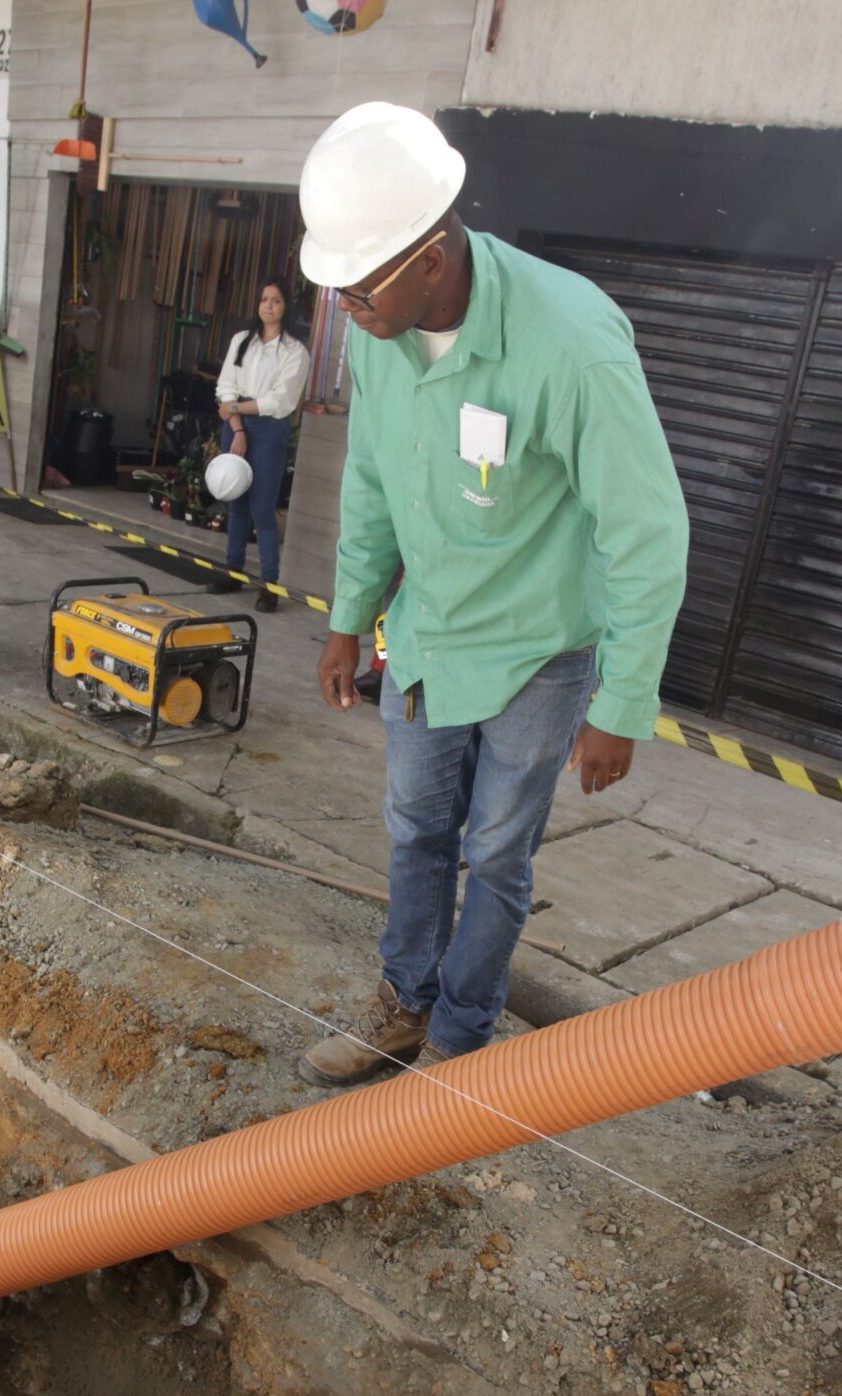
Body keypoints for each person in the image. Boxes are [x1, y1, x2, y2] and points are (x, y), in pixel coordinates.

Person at [295, 103, 689, 1087]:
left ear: (431, 254)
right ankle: (402, 1004)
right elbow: (373, 481)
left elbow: (647, 531)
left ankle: (459, 1048)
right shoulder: (381, 336)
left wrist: (623, 704)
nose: (345, 305)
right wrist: (349, 616)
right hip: (428, 639)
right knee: (417, 833)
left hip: (538, 657)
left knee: (497, 857)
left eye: (359, 281)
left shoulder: (568, 343)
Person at [215, 277, 312, 613]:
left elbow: (280, 401)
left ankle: (269, 583)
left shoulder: (294, 351)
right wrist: (238, 427)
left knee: (262, 508)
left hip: (269, 428)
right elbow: (226, 386)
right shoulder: (242, 340)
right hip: (236, 425)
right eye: (264, 300)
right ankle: (233, 571)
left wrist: (237, 409)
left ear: (286, 307)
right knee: (236, 502)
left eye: (276, 301)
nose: (268, 306)